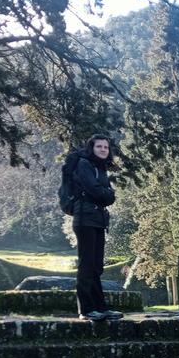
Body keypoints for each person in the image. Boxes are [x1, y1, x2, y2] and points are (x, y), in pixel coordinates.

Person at [72, 134, 122, 322]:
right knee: (86, 265)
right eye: (99, 146)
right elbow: (95, 190)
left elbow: (109, 196)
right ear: (91, 148)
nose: (103, 149)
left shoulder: (100, 168)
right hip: (85, 219)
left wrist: (106, 195)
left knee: (96, 266)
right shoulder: (84, 164)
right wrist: (106, 194)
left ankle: (100, 308)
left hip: (98, 220)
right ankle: (85, 310)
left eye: (106, 147)